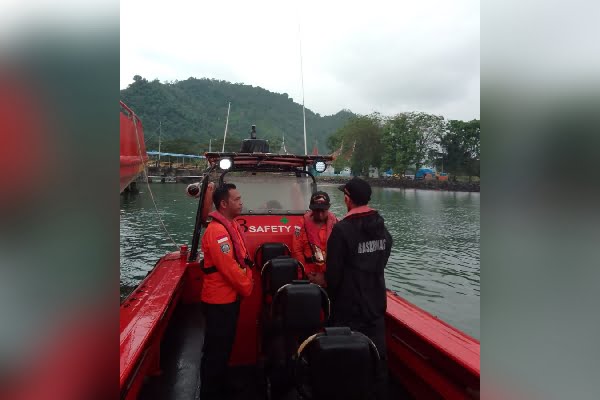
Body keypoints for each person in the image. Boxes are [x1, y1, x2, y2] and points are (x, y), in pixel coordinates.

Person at [325, 177, 393, 399]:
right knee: (377, 362)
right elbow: (383, 257)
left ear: (347, 199)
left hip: (349, 310)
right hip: (375, 306)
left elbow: (333, 276)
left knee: (349, 366)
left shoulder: (342, 230)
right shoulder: (380, 226)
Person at [200, 183, 254, 400]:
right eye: (236, 199)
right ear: (223, 204)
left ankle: (220, 386)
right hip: (219, 302)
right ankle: (210, 393)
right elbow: (229, 269)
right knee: (216, 350)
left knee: (223, 347)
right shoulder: (218, 232)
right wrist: (248, 285)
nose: (241, 202)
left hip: (227, 299)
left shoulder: (229, 226)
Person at [291, 191, 338, 286]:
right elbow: (297, 251)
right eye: (317, 210)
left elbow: (339, 253)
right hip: (309, 274)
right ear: (311, 208)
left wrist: (327, 276)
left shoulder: (337, 224)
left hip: (330, 274)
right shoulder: (300, 226)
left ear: (328, 208)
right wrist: (306, 275)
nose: (320, 214)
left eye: (323, 211)